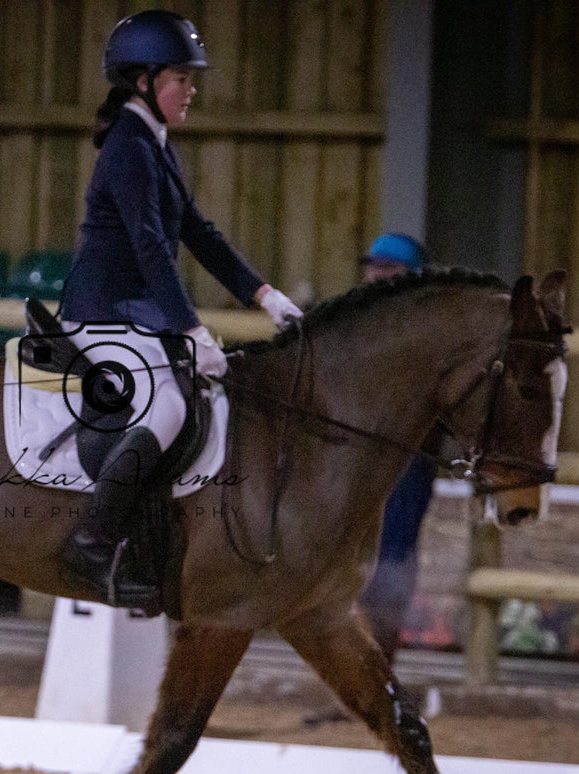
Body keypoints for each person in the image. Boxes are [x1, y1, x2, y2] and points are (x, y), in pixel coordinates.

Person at [58, 9, 303, 608]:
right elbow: (148, 248)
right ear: (142, 80)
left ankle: (151, 547)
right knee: (169, 403)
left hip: (136, 312)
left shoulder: (154, 143)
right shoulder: (128, 148)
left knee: (194, 398)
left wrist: (264, 294)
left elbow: (198, 233)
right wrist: (191, 329)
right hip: (102, 312)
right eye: (181, 80)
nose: (192, 91)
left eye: (193, 81)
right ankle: (90, 541)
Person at [353, 233, 435, 661]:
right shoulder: (357, 322)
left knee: (390, 564)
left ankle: (377, 669)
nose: (378, 274)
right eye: (375, 266)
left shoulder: (425, 331)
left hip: (404, 463)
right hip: (356, 460)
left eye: (390, 268)